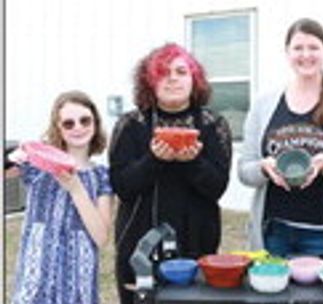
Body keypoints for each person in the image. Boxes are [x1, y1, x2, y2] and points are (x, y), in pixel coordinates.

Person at [109, 43, 232, 303]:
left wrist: (192, 161)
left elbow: (217, 187)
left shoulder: (213, 124)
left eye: (181, 71)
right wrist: (154, 159)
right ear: (149, 82)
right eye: (163, 72)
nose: (173, 78)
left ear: (194, 79)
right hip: (140, 239)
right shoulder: (131, 125)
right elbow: (122, 186)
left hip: (196, 236)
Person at [238, 18, 323, 257]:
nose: (305, 55)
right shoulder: (264, 103)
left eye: (313, 47)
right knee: (270, 292)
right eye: (298, 48)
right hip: (273, 230)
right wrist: (264, 168)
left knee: (319, 295)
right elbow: (244, 172)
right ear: (287, 52)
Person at [7, 90, 113, 304]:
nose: (78, 128)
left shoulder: (101, 175)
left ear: (95, 123)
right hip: (37, 270)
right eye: (68, 123)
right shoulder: (39, 164)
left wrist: (76, 189)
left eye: (85, 120)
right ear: (58, 128)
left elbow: (101, 237)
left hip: (78, 275)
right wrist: (10, 157)